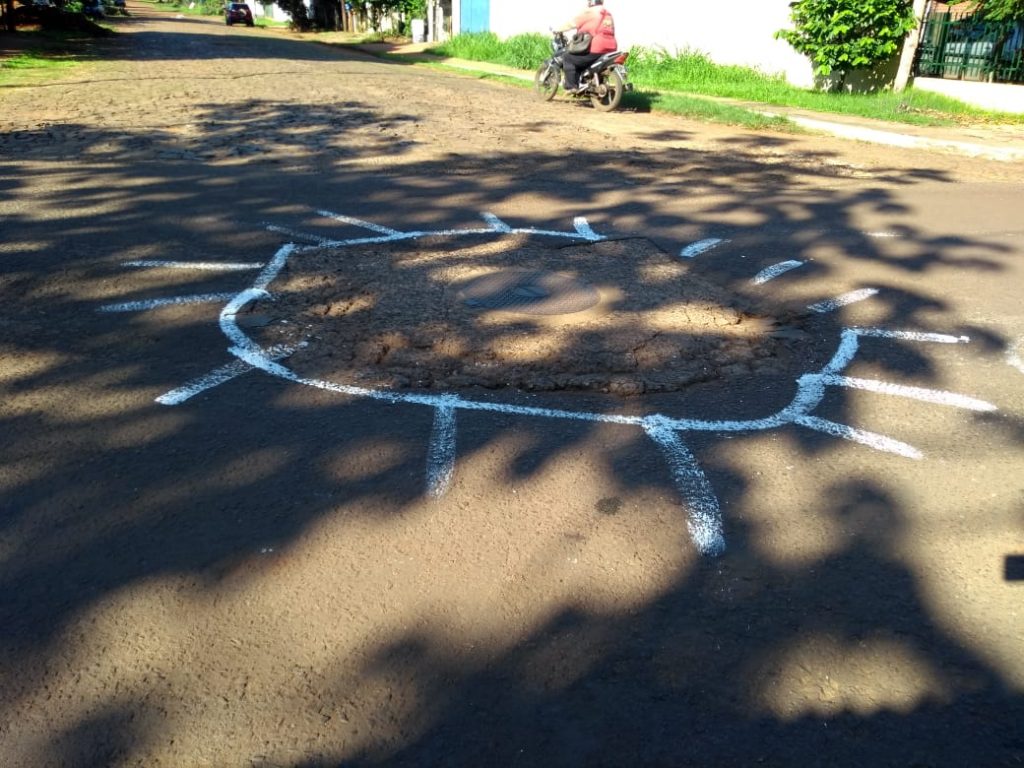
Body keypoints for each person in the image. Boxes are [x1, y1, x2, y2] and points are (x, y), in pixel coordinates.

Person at [558, 0, 618, 93]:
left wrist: (558, 29)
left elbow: (572, 23)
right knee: (583, 60)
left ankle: (572, 87)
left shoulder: (590, 12)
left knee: (568, 58)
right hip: (611, 47)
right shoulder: (608, 14)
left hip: (597, 47)